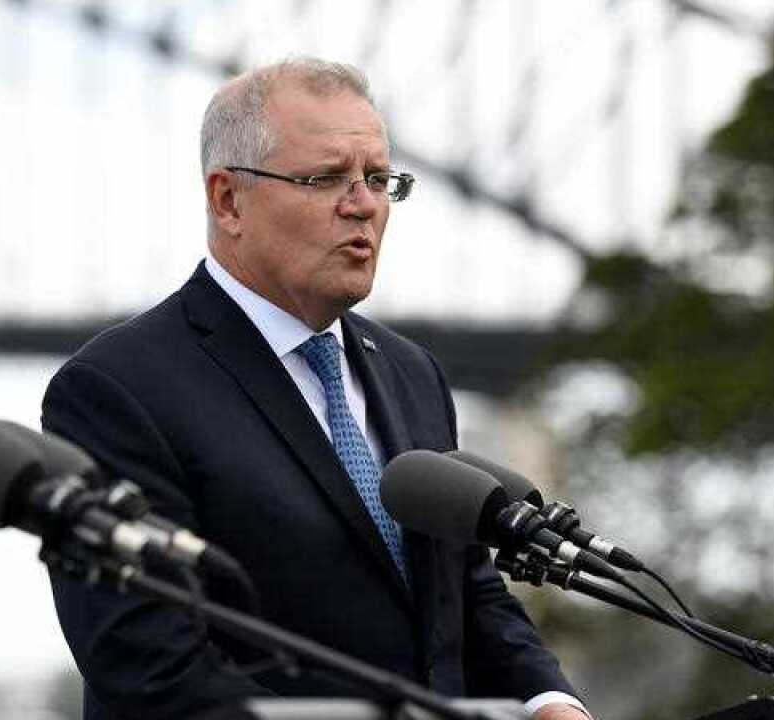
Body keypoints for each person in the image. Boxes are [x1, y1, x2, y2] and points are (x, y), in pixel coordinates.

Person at [42, 58, 591, 720]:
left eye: (379, 179)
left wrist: (548, 700)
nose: (364, 205)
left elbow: (468, 592)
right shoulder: (119, 387)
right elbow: (148, 665)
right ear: (228, 200)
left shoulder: (412, 373)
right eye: (326, 178)